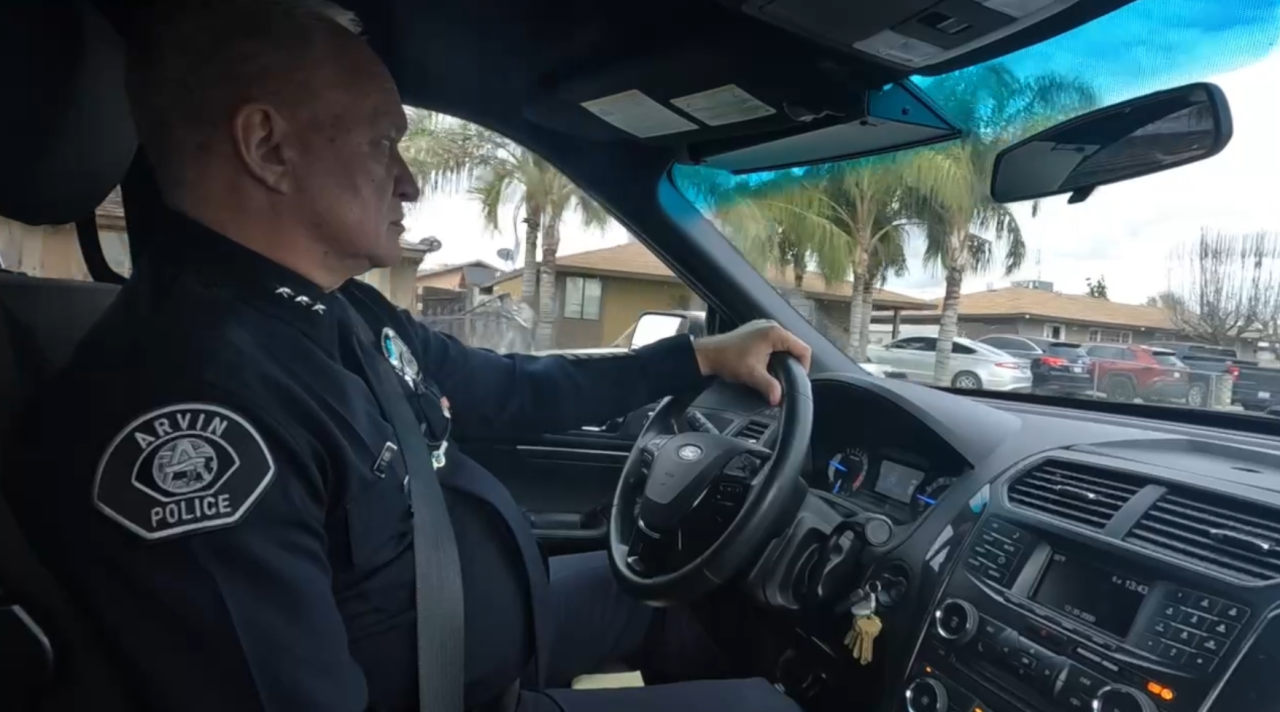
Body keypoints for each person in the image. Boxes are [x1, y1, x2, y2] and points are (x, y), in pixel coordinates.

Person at [5, 2, 813, 712]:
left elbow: (508, 391)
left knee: (668, 599)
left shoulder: (333, 311)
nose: (410, 182)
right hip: (433, 688)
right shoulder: (192, 405)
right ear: (268, 148)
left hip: (470, 645)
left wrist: (695, 358)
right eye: (382, 141)